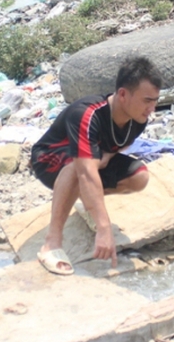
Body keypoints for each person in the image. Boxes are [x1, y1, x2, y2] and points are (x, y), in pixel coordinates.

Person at [30, 55, 164, 275]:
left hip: (91, 160)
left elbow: (119, 145)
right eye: (147, 100)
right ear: (123, 94)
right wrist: (104, 228)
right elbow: (86, 172)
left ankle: (86, 201)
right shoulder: (87, 113)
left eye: (155, 100)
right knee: (79, 167)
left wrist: (106, 157)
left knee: (139, 176)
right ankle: (51, 243)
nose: (152, 108)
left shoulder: (138, 119)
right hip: (49, 159)